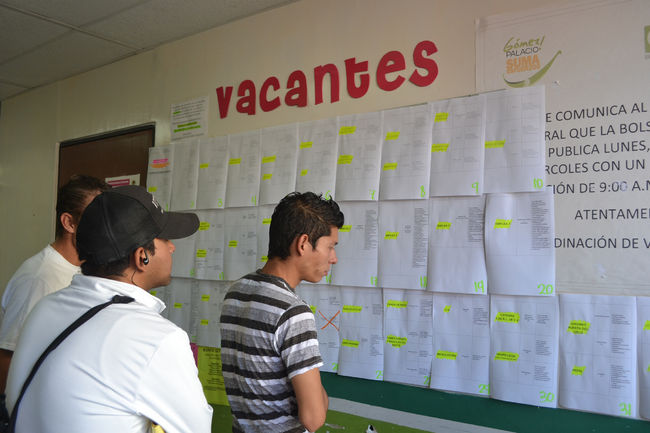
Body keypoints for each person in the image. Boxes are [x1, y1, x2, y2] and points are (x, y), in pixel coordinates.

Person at [5, 185, 213, 433]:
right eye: (165, 239)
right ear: (142, 257)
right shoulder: (156, 338)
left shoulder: (46, 306)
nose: (172, 247)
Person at [220, 191, 344, 433]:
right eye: (330, 247)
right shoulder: (294, 312)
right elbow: (314, 418)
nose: (334, 258)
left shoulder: (236, 292)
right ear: (303, 243)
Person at [0, 174, 109, 393]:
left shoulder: (86, 269)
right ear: (69, 223)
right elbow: (7, 359)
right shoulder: (40, 277)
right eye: (96, 218)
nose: (106, 228)